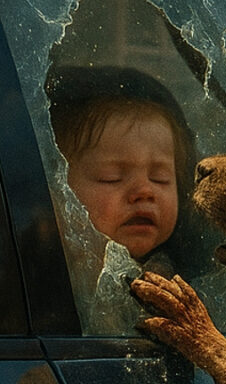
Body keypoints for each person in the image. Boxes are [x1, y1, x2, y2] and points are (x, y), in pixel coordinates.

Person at [46, 66, 199, 333]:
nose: (145, 191)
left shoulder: (176, 285)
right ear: (56, 190)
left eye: (161, 177)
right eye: (111, 177)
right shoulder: (32, 284)